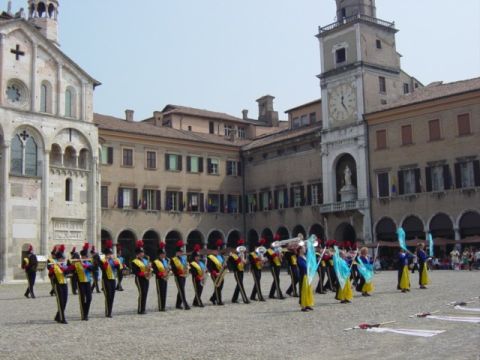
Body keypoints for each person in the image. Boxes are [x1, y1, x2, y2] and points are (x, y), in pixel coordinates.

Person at [49, 245, 72, 324]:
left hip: (64, 284)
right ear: (58, 258)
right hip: (58, 284)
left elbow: (68, 273)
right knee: (60, 302)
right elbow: (51, 276)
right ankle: (62, 318)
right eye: (62, 258)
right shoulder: (54, 266)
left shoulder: (64, 265)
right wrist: (51, 271)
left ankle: (58, 316)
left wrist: (69, 268)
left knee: (65, 301)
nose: (63, 259)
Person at [95, 241, 119, 318]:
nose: (110, 255)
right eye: (108, 254)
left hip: (113, 279)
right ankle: (108, 312)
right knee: (108, 296)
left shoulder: (113, 260)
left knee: (112, 296)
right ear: (106, 254)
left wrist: (115, 261)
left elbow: (118, 268)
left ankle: (110, 311)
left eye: (110, 254)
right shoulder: (102, 260)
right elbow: (103, 268)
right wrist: (107, 260)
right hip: (106, 280)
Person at [73, 243, 94, 321]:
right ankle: (83, 314)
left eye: (86, 256)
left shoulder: (89, 263)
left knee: (89, 298)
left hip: (88, 282)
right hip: (81, 282)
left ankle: (86, 313)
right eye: (85, 256)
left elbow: (91, 269)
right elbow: (73, 270)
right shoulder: (77, 264)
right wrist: (80, 262)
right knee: (82, 298)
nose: (86, 257)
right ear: (82, 256)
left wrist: (84, 264)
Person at [131, 240, 150, 314]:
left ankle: (143, 308)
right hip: (139, 279)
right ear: (137, 254)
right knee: (142, 293)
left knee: (145, 293)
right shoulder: (134, 261)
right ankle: (140, 309)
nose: (142, 254)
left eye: (142, 252)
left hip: (146, 278)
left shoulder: (145, 260)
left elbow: (148, 269)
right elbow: (135, 272)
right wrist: (144, 273)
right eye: (140, 253)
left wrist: (149, 269)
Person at [170, 240, 190, 310]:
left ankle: (178, 304)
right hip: (178, 276)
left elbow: (186, 266)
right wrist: (179, 272)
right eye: (179, 252)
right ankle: (185, 304)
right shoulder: (173, 259)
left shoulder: (184, 259)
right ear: (176, 253)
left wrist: (187, 268)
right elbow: (173, 268)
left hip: (184, 275)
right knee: (181, 290)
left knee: (181, 290)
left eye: (181, 252)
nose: (181, 253)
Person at [228, 239, 250, 304]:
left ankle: (234, 299)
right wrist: (238, 257)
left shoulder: (242, 254)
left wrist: (244, 260)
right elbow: (231, 262)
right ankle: (245, 299)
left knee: (239, 285)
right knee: (241, 285)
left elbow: (245, 262)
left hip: (241, 270)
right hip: (237, 271)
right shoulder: (233, 255)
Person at [207, 239, 226, 305]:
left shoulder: (219, 256)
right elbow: (209, 266)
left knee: (221, 286)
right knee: (217, 286)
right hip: (214, 274)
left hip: (220, 273)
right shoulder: (210, 257)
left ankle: (213, 298)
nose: (218, 251)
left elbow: (222, 264)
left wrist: (225, 265)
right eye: (217, 250)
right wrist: (214, 273)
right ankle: (219, 301)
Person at [152, 242, 169, 311]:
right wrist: (161, 274)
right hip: (159, 278)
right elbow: (155, 271)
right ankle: (160, 306)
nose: (163, 255)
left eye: (164, 254)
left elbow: (167, 268)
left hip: (165, 278)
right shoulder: (155, 262)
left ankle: (163, 306)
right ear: (159, 255)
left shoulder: (166, 261)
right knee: (160, 292)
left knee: (164, 292)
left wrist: (168, 272)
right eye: (162, 254)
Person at [297, 243, 314, 312]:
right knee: (303, 290)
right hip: (303, 276)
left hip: (307, 275)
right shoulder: (299, 257)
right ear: (300, 249)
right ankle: (303, 306)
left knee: (308, 290)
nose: (305, 249)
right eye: (304, 248)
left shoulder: (305, 257)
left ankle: (308, 304)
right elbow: (302, 266)